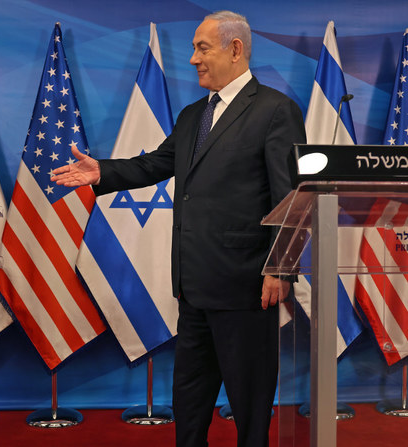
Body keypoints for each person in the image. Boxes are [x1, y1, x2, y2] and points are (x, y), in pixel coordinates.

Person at [51, 10, 305, 447]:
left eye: (202, 48)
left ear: (236, 49)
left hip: (247, 288)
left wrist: (280, 269)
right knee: (188, 406)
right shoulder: (193, 115)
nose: (192, 59)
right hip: (193, 286)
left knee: (250, 408)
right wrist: (102, 173)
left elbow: (292, 199)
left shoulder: (274, 111)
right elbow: (157, 163)